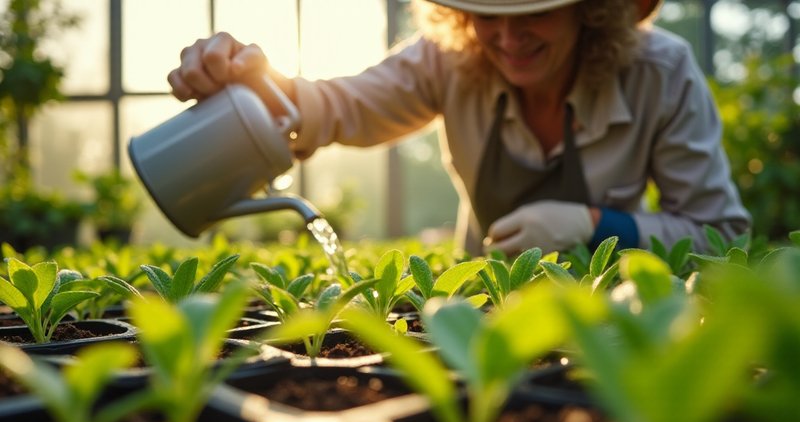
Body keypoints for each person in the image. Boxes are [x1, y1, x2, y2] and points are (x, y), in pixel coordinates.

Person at [167, 0, 751, 257]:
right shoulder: (447, 60)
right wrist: (255, 81)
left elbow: (722, 235)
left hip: (614, 327)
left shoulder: (661, 74)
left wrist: (598, 227)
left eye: (534, 13)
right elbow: (344, 105)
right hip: (482, 313)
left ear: (589, 8)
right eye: (487, 13)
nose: (506, 38)